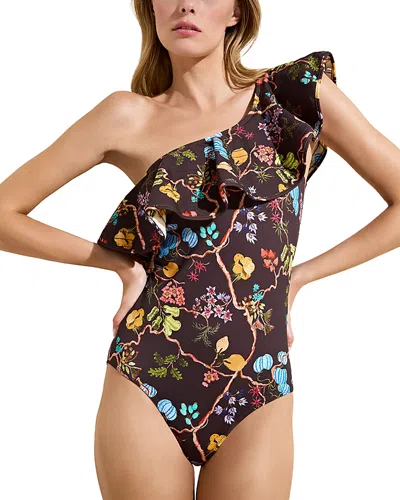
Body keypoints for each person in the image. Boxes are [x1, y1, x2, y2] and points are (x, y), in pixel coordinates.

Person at [1, 1, 399, 499]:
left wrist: (297, 278)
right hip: (146, 368)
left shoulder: (294, 96)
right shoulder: (125, 115)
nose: (186, 4)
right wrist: (122, 267)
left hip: (258, 379)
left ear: (236, 12)